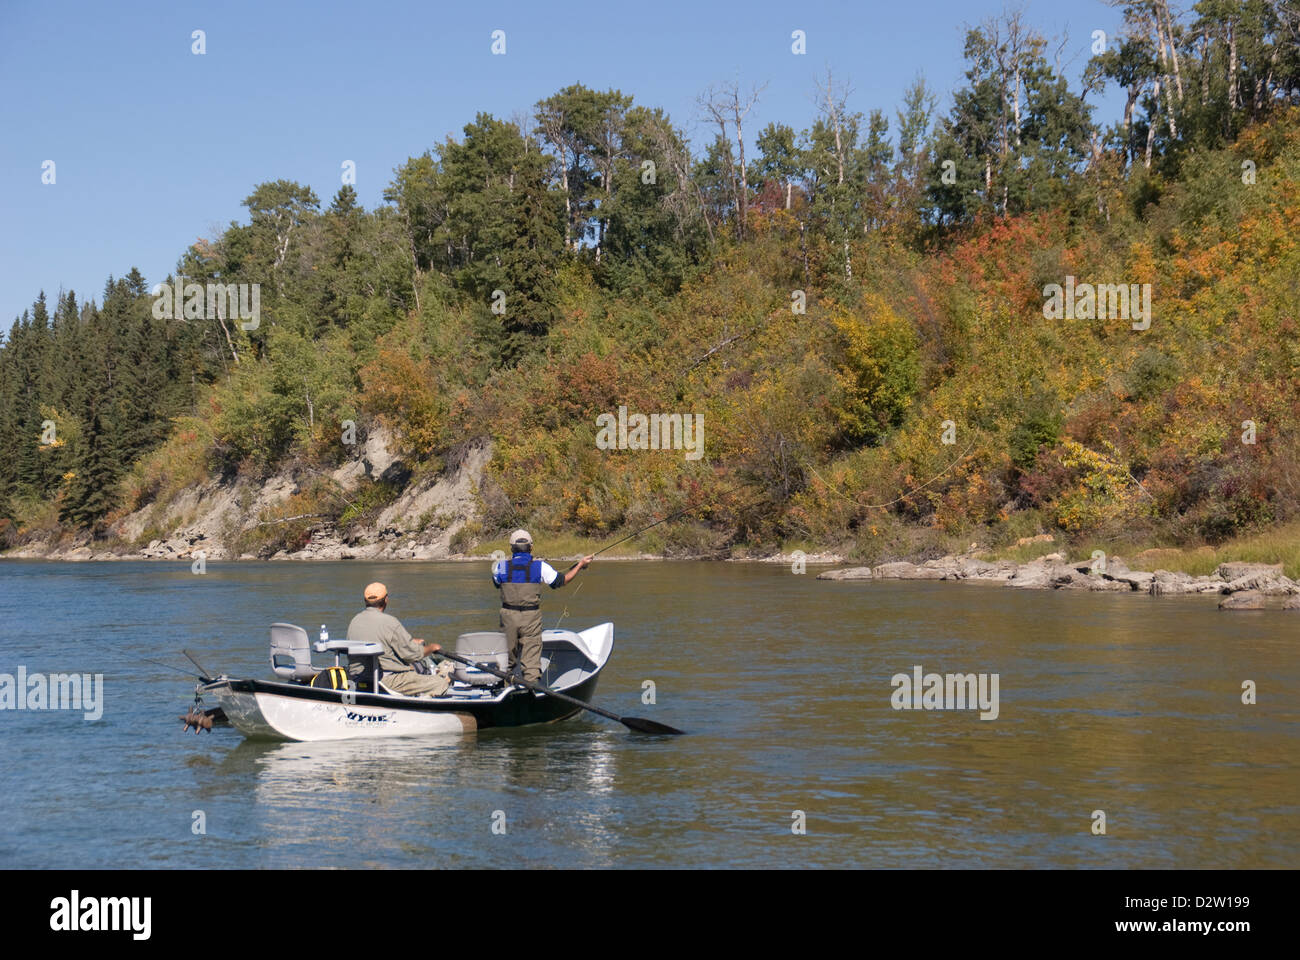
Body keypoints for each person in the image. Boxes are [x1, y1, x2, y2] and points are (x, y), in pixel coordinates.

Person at [492, 530, 593, 686]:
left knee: (506, 660)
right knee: (531, 662)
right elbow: (561, 581)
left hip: (507, 617)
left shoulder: (502, 566)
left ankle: (503, 688)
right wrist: (579, 565)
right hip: (530, 617)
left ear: (511, 548)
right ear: (531, 547)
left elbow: (497, 582)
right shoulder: (540, 567)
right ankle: (531, 690)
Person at [346, 582, 454, 697]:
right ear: (386, 599)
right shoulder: (390, 622)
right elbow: (413, 655)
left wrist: (412, 642)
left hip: (360, 678)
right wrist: (432, 648)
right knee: (440, 683)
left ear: (365, 601)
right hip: (387, 680)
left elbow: (381, 641)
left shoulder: (354, 621)